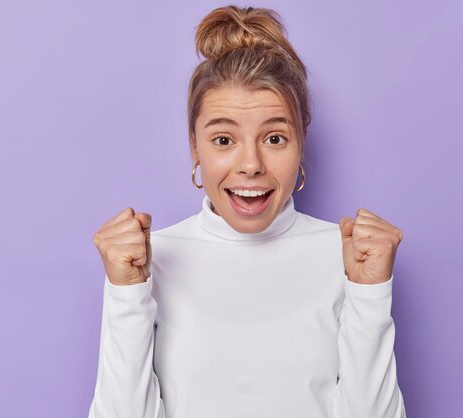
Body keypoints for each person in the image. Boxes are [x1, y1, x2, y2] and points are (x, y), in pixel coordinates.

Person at [88, 5, 406, 418]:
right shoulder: (151, 260)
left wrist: (370, 293)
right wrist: (126, 294)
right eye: (223, 140)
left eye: (274, 138)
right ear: (194, 146)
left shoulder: (347, 258)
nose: (251, 164)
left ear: (301, 143)